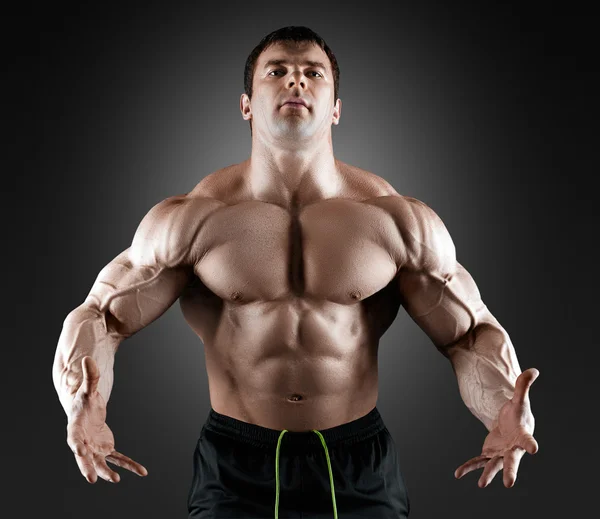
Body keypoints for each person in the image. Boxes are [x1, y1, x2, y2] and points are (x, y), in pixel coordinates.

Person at [52, 26, 540, 519]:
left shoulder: (396, 221)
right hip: (234, 467)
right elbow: (101, 316)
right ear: (246, 104)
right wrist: (79, 402)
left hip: (359, 464)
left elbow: (470, 334)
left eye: (313, 73)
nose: (296, 82)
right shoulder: (192, 220)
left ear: (336, 108)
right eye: (278, 71)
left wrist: (502, 404)